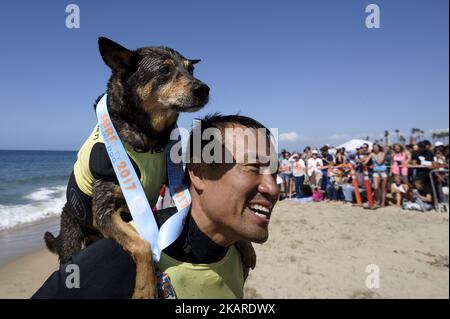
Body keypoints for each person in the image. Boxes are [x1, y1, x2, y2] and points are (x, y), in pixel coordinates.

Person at [32, 114, 280, 299]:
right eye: (253, 168)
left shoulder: (236, 252)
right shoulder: (118, 257)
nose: (274, 188)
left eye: (274, 172)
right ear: (199, 174)